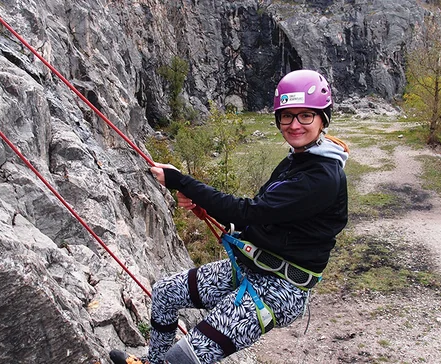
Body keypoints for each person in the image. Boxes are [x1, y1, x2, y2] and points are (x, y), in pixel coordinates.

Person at [110, 69, 349, 364]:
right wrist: (207, 207)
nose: (294, 124)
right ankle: (153, 361)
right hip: (251, 266)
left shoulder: (322, 177)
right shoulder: (298, 160)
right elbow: (260, 216)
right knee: (164, 293)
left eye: (305, 116)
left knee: (185, 358)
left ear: (322, 118)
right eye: (287, 116)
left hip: (278, 288)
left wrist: (180, 181)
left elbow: (248, 210)